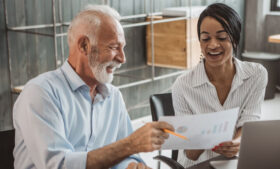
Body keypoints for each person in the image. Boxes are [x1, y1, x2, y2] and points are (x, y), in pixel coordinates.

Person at [13, 5, 174, 169]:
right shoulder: (40, 93)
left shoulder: (114, 96)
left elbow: (127, 157)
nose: (122, 58)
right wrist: (130, 144)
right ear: (84, 46)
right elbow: (58, 165)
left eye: (122, 47)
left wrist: (132, 165)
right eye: (113, 47)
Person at [172, 3, 268, 167]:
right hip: (197, 166)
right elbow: (190, 153)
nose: (213, 45)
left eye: (222, 37)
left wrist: (237, 143)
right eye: (205, 38)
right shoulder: (182, 86)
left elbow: (249, 123)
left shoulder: (256, 75)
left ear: (235, 38)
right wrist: (204, 137)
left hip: (235, 164)